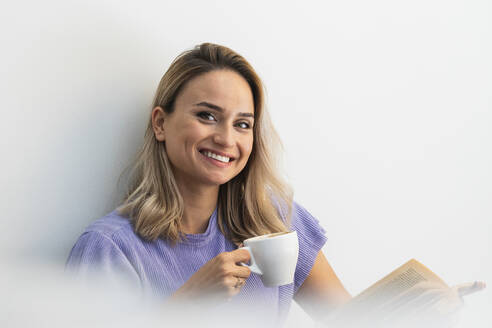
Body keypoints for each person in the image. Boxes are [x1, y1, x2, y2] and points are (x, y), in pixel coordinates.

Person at [66, 42, 351, 326]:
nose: (226, 139)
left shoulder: (274, 220)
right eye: (207, 116)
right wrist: (187, 303)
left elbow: (352, 319)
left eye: (242, 124)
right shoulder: (110, 249)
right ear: (160, 124)